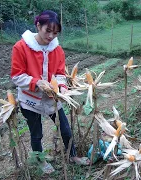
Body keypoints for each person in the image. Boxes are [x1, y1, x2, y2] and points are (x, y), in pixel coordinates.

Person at [11, 10, 89, 174]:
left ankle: (72, 156)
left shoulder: (57, 49)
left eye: (55, 33)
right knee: (36, 134)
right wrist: (36, 82)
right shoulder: (21, 47)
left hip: (52, 98)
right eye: (48, 31)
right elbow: (17, 77)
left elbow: (60, 74)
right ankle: (40, 161)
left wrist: (61, 88)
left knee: (66, 129)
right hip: (29, 99)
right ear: (38, 25)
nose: (51, 36)